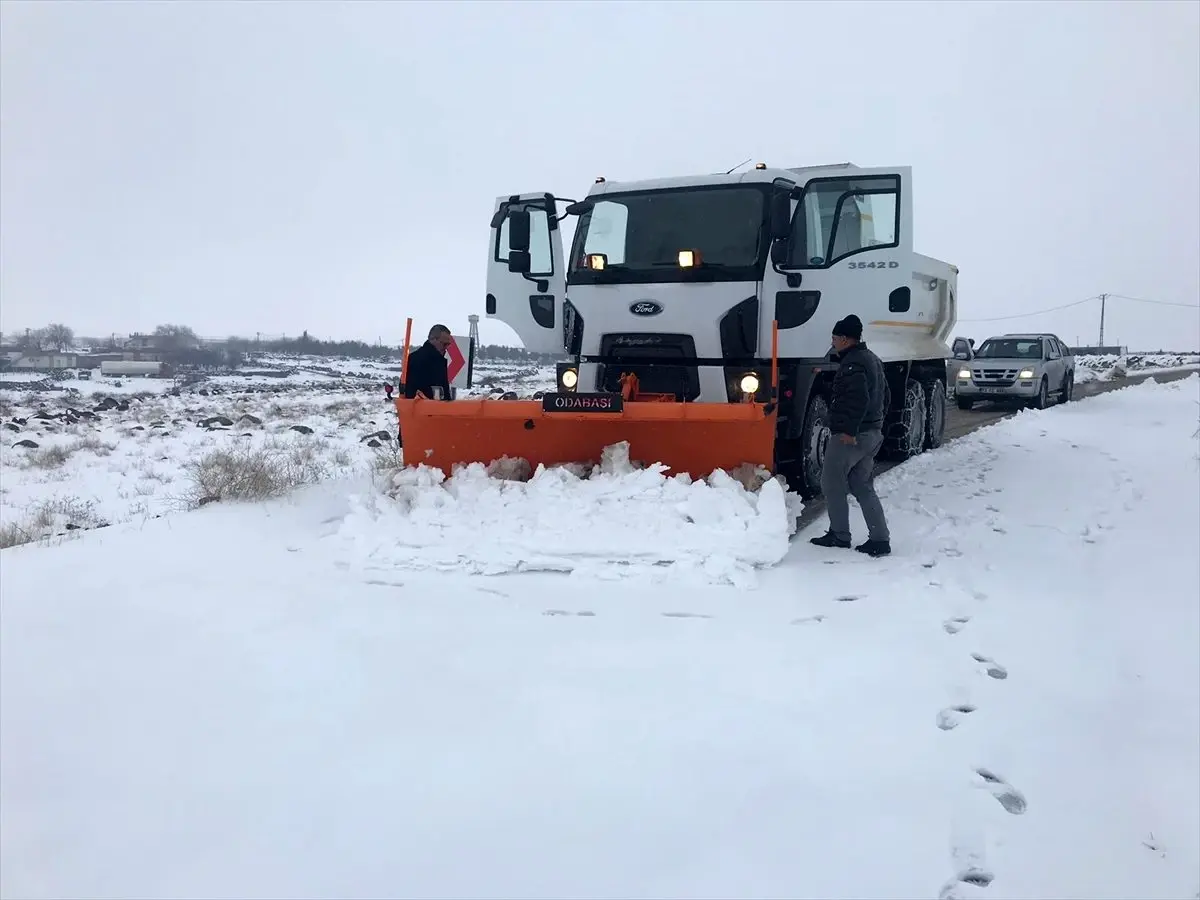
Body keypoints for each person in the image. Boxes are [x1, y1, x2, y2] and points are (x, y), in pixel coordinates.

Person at [810, 314, 892, 557]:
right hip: (872, 433)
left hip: (852, 435)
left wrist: (849, 431)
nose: (832, 342)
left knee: (831, 482)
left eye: (835, 337)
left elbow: (856, 399)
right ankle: (879, 539)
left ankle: (839, 534)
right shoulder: (872, 359)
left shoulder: (853, 363)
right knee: (861, 484)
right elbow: (885, 396)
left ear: (845, 339)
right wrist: (876, 425)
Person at [403, 324, 453, 400]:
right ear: (433, 340)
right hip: (426, 409)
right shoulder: (421, 360)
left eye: (448, 344)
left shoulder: (439, 360)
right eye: (444, 344)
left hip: (425, 408)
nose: (446, 348)